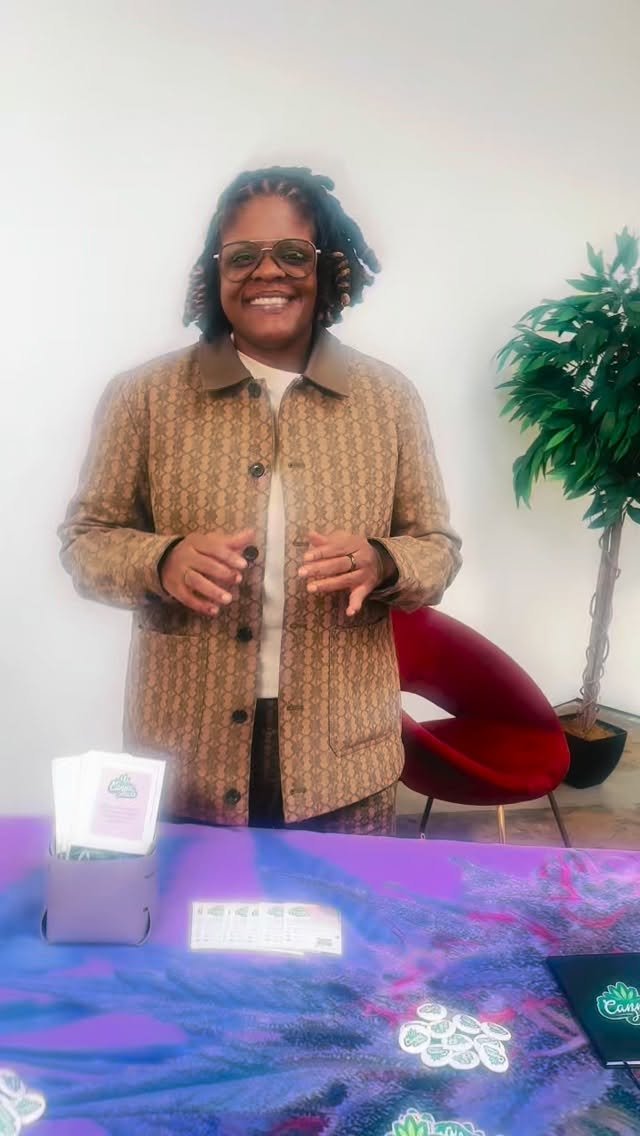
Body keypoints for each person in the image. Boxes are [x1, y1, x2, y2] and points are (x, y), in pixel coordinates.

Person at [59, 165, 461, 836]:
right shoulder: (144, 398)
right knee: (200, 908)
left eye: (292, 254)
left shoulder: (388, 399)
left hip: (345, 761)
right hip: (186, 757)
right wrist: (161, 560)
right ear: (215, 272)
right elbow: (85, 542)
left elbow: (437, 551)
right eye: (242, 256)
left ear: (326, 268)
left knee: (336, 907)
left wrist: (383, 562)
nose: (266, 272)